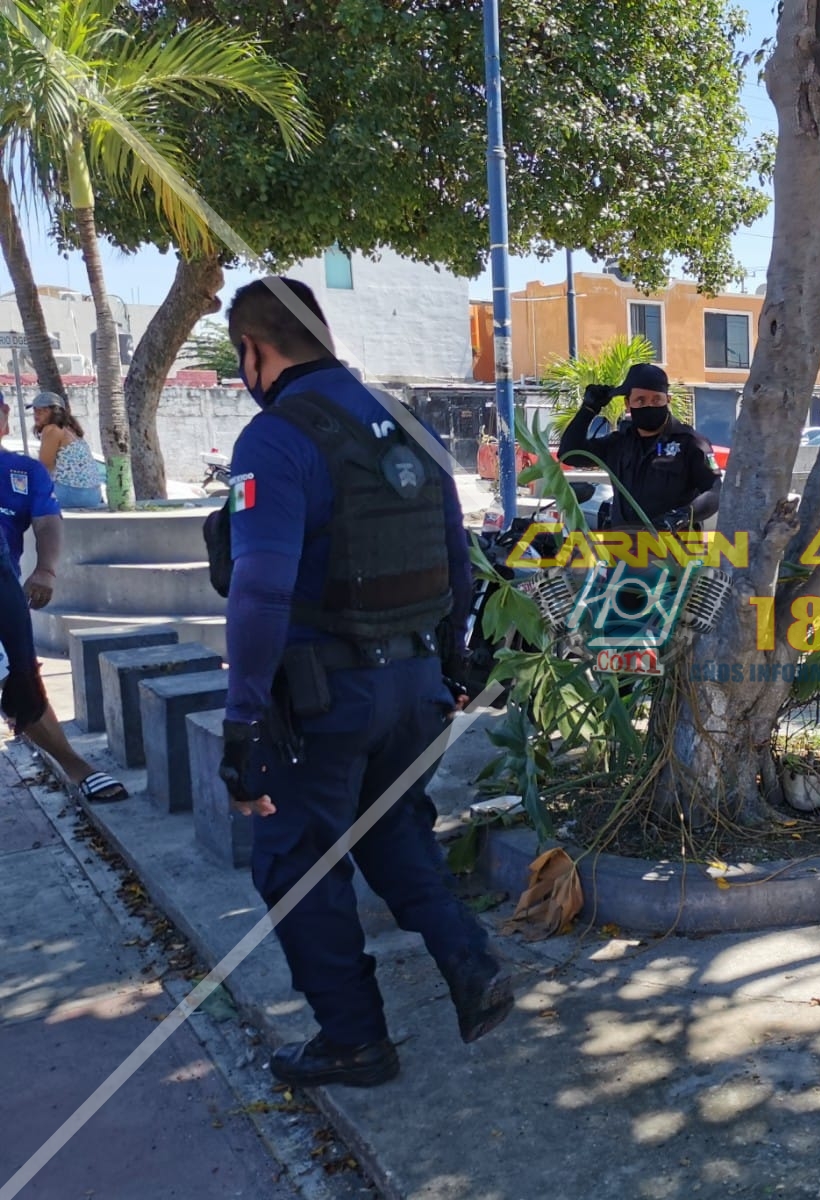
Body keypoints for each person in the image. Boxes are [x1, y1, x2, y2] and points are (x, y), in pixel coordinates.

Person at [216, 277, 513, 1089]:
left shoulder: (275, 437)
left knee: (296, 862)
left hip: (325, 701)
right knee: (392, 831)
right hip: (415, 685)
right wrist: (451, 663)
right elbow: (457, 558)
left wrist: (242, 721)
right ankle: (470, 960)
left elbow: (260, 589)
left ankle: (354, 1041)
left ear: (254, 350)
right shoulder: (407, 423)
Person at [0, 395, 128, 801]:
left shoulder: (24, 471)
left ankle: (77, 768)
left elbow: (47, 522)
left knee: (18, 677)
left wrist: (45, 570)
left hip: (3, 591)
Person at [557, 363, 720, 531]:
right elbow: (570, 454)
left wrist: (682, 517)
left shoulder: (690, 443)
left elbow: (715, 492)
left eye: (656, 400)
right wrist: (588, 410)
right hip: (625, 543)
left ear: (668, 400)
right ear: (628, 404)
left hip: (674, 544)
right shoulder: (618, 444)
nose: (649, 406)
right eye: (640, 400)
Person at [30, 392, 104, 509]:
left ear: (56, 412)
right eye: (35, 409)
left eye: (44, 410)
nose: (37, 414)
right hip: (94, 494)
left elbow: (45, 466)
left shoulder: (52, 430)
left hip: (70, 492)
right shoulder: (71, 431)